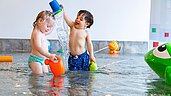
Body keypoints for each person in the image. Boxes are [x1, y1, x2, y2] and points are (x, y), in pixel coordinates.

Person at [62, 6, 96, 71]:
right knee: (72, 75)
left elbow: (89, 44)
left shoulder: (86, 33)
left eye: (81, 19)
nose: (77, 20)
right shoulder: (72, 27)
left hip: (82, 57)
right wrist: (63, 10)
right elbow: (67, 19)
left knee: (83, 75)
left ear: (87, 24)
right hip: (72, 57)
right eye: (77, 18)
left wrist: (91, 55)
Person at [28, 10, 57, 74]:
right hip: (35, 60)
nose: (49, 29)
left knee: (45, 74)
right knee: (38, 77)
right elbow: (38, 47)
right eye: (48, 26)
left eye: (50, 27)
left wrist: (53, 25)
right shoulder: (36, 33)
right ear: (40, 21)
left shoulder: (42, 32)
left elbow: (49, 31)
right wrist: (49, 55)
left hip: (43, 60)